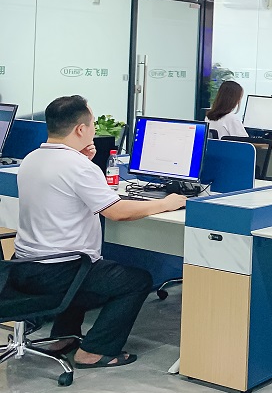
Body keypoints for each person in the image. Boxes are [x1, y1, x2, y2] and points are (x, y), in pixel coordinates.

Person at [12, 95, 187, 369]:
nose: (94, 129)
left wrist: (86, 162)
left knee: (87, 264)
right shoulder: (77, 167)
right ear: (80, 129)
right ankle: (93, 351)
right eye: (92, 124)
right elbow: (116, 212)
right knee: (136, 280)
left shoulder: (31, 159)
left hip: (22, 268)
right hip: (58, 272)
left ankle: (62, 338)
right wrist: (166, 203)